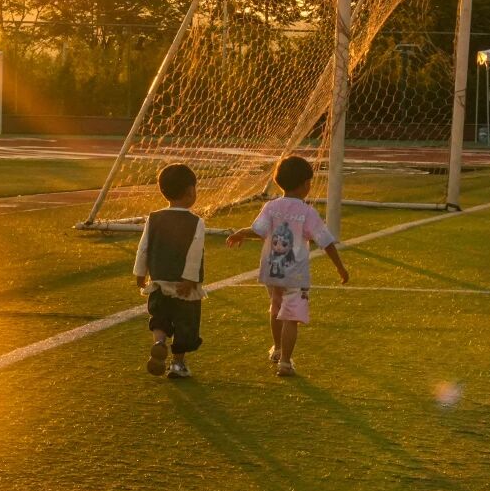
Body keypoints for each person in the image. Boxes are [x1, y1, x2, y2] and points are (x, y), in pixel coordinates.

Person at [226, 155, 348, 377]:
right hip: (295, 275)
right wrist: (340, 267)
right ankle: (285, 361)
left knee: (275, 308)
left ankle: (277, 349)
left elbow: (259, 230)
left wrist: (242, 232)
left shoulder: (271, 207)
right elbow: (326, 241)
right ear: (305, 185)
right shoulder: (307, 212)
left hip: (272, 270)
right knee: (291, 316)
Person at [133, 163, 207, 378]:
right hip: (184, 286)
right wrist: (190, 279)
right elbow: (195, 252)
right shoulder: (196, 222)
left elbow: (144, 246)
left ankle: (159, 341)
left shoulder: (154, 218)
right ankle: (177, 364)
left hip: (159, 281)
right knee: (185, 324)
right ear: (191, 191)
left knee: (160, 317)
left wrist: (140, 274)